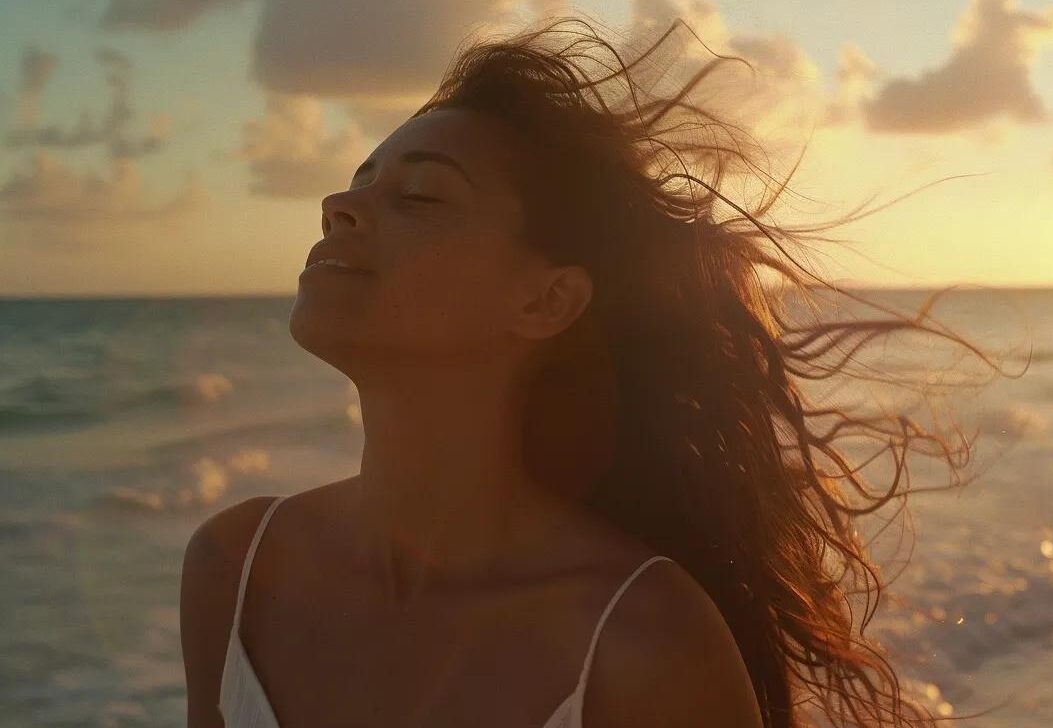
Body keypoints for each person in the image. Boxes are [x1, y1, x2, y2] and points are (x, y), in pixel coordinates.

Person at [181, 15, 987, 728]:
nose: (338, 206)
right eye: (359, 183)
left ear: (546, 300)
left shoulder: (644, 647)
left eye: (420, 197)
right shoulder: (237, 570)